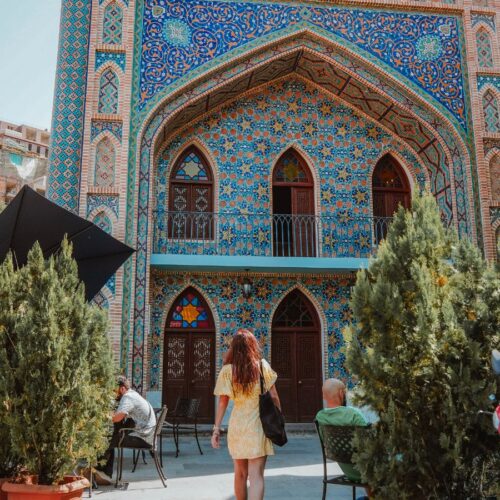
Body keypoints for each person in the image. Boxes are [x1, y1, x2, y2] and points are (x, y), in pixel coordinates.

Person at [211, 328, 281, 500]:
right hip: (258, 426)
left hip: (237, 426)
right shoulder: (262, 366)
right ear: (252, 345)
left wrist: (216, 429)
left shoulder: (227, 371)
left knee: (240, 474)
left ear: (233, 347)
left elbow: (222, 402)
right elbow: (274, 396)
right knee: (256, 476)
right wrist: (278, 416)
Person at [94, 376, 156, 485]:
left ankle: (101, 474)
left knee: (106, 441)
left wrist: (102, 415)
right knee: (112, 436)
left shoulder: (127, 397)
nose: (114, 393)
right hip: (147, 434)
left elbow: (118, 417)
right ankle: (103, 473)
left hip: (143, 437)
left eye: (115, 390)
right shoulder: (133, 394)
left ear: (122, 388)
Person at [316, 378, 369, 496]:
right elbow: (367, 443)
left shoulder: (320, 417)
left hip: (347, 470)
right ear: (341, 393)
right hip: (365, 471)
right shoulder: (353, 414)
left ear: (324, 396)